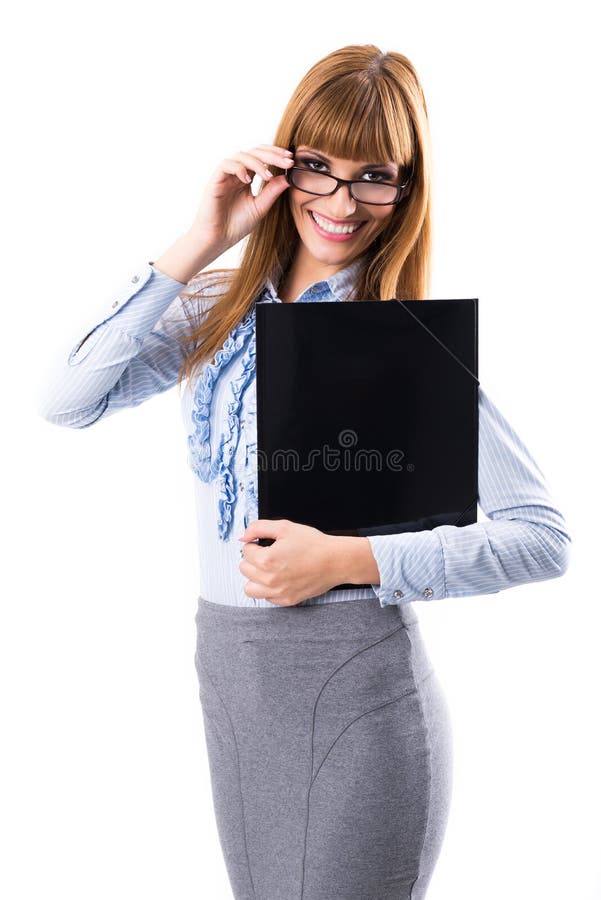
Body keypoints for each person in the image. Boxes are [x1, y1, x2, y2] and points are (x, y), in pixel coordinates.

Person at [39, 44, 571, 900]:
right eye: (318, 167)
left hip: (357, 688)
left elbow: (541, 539)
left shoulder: (404, 339)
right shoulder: (209, 311)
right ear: (282, 163)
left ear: (406, 189)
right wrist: (203, 237)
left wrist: (351, 561)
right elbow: (66, 399)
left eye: (374, 176)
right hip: (232, 683)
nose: (339, 201)